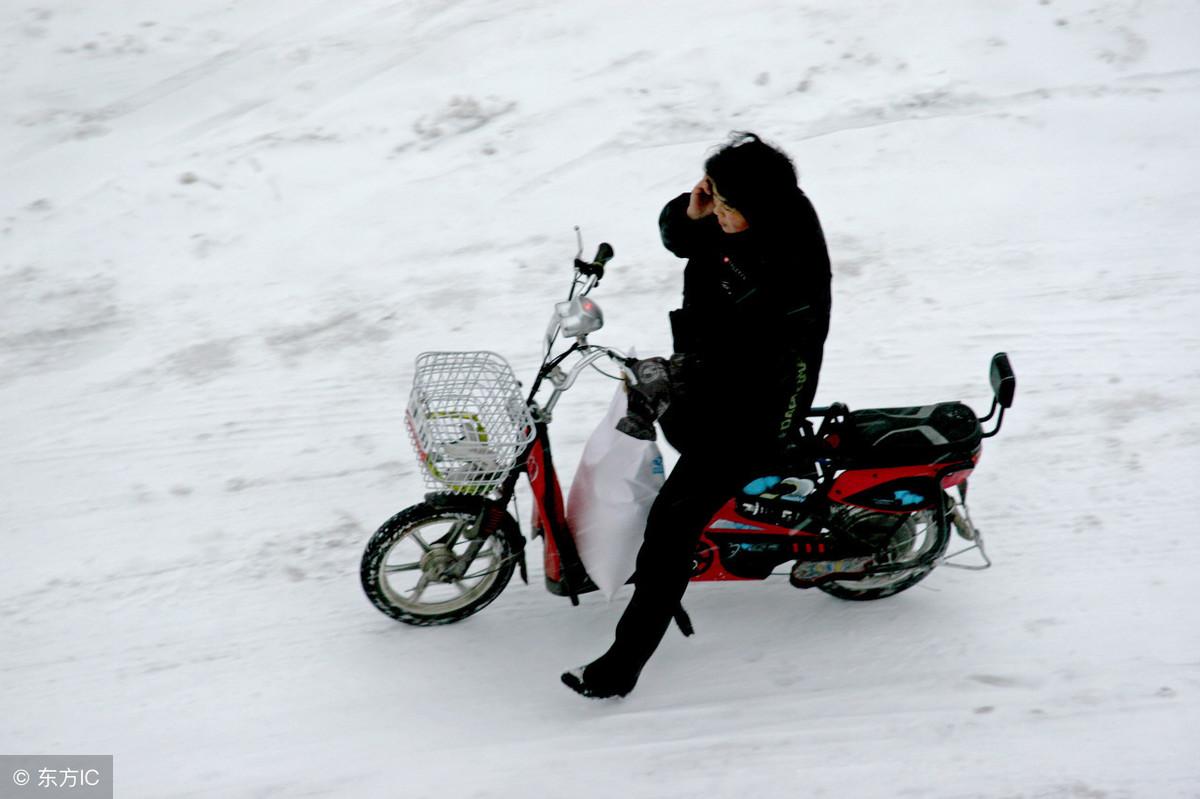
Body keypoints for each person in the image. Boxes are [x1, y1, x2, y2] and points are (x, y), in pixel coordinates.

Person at [562, 131, 833, 699]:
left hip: (757, 403)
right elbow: (682, 239)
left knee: (671, 525)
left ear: (760, 209)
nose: (720, 213)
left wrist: (687, 377)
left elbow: (758, 362)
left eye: (729, 206)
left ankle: (621, 667)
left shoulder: (788, 267)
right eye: (715, 194)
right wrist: (694, 211)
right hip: (712, 367)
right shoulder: (739, 213)